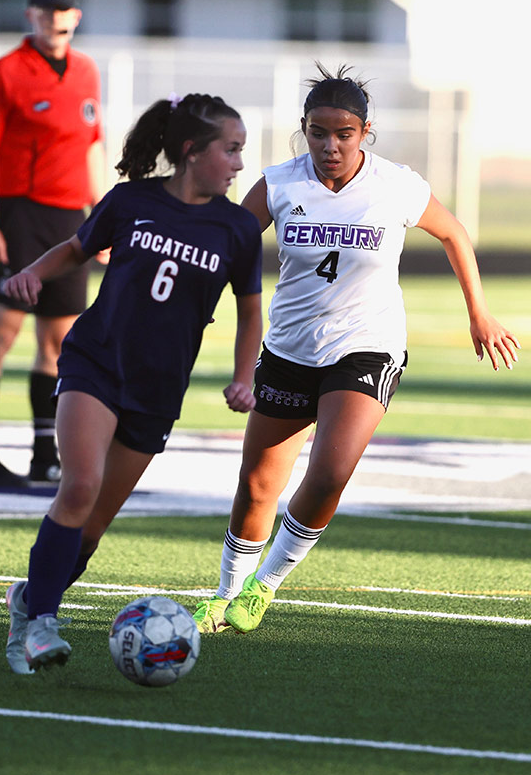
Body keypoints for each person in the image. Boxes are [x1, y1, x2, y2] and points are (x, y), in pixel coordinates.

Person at [193, 63, 521, 635]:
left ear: (365, 133)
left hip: (367, 347)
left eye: (344, 135)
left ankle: (264, 586)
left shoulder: (396, 185)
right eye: (318, 133)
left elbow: (452, 233)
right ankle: (224, 594)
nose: (330, 146)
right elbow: (228, 244)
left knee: (329, 473)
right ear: (305, 130)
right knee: (256, 489)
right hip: (290, 349)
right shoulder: (278, 183)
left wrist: (480, 313)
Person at [0, 92, 262, 673]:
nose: (240, 164)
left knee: (89, 534)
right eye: (232, 149)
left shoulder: (239, 229)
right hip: (95, 363)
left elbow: (249, 311)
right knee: (79, 486)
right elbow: (75, 250)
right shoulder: (130, 201)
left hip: (157, 390)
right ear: (193, 152)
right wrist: (31, 275)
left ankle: (28, 599)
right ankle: (43, 622)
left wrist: (245, 377)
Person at [0, 0, 105, 487]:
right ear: (30, 15)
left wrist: (101, 218)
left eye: (62, 11)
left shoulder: (86, 71)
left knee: (58, 340)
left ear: (76, 18)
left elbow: (92, 146)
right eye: (45, 10)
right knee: (1, 332)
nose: (54, 19)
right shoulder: (7, 71)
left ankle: (44, 453)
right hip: (19, 214)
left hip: (68, 219)